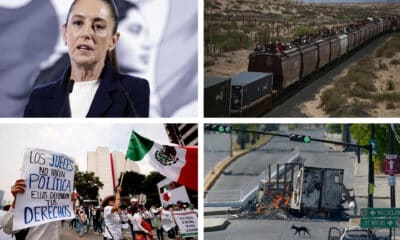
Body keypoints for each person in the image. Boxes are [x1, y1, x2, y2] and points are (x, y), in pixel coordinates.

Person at [23, 0, 150, 117]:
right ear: (65, 33)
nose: (86, 34)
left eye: (99, 26)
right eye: (78, 24)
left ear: (113, 40)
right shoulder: (40, 96)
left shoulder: (136, 90)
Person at [0, 179, 77, 240]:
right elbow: (8, 229)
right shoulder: (28, 205)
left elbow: (68, 220)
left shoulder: (56, 206)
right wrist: (17, 200)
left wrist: (71, 203)